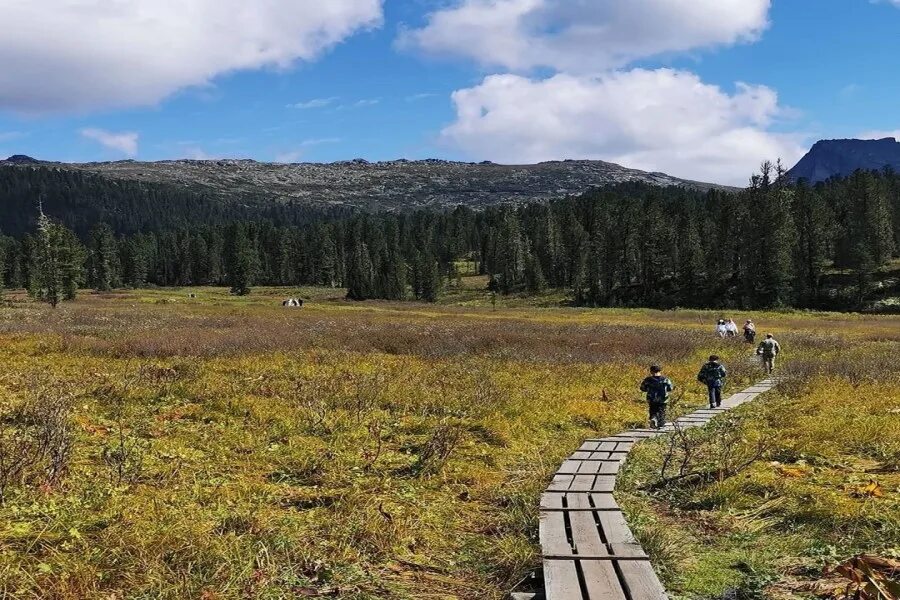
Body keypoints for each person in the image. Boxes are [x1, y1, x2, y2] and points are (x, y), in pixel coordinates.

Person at [640, 365, 675, 429]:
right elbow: (670, 388)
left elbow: (642, 388)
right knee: (662, 411)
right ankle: (661, 424)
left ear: (651, 371)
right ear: (660, 371)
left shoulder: (648, 380)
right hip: (663, 399)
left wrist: (648, 389)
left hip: (652, 398)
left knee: (653, 410)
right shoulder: (665, 379)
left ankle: (653, 419)